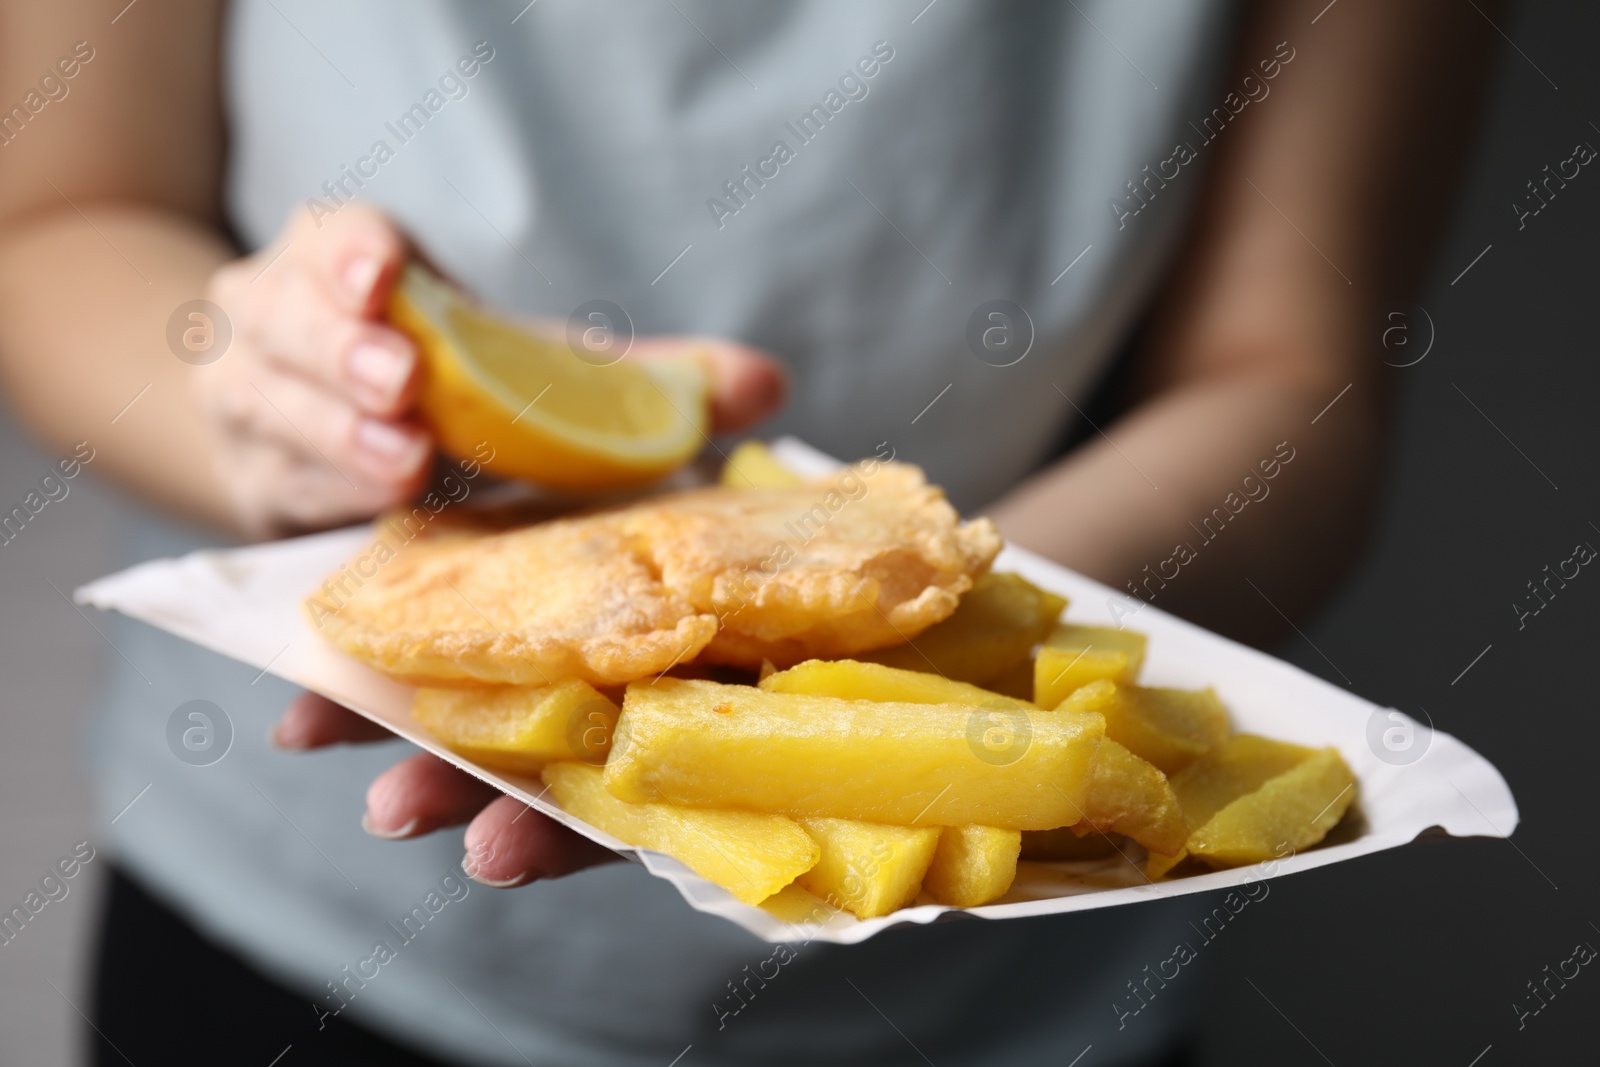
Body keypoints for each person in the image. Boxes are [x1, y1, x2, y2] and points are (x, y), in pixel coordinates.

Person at [0, 1, 1497, 1064]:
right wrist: (271, 406)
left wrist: (944, 670)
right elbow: (57, 212)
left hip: (1023, 1003)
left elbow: (1295, 374)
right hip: (290, 944)